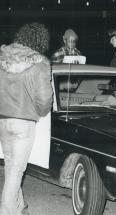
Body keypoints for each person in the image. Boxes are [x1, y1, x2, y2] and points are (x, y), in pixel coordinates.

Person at [0, 22, 53, 215]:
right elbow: (44, 99)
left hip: (2, 120)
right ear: (40, 41)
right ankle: (6, 211)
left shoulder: (2, 58)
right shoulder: (39, 64)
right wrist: (40, 112)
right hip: (23, 122)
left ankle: (19, 207)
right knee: (17, 169)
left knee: (10, 164)